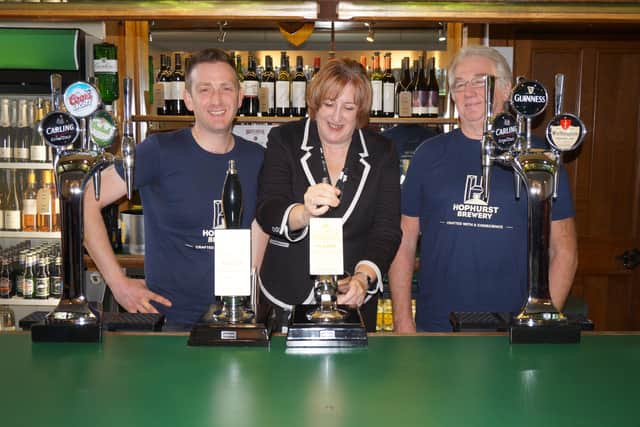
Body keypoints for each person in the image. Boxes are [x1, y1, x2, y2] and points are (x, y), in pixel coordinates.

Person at [388, 45, 578, 332]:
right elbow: (404, 242)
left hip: (512, 329)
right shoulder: (429, 154)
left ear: (506, 90)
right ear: (451, 95)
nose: (469, 92)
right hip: (437, 328)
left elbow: (564, 252)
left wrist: (540, 322)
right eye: (460, 84)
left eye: (480, 81)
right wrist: (403, 321)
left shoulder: (540, 157)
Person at [83, 48, 266, 328]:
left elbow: (264, 228)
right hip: (169, 324)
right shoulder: (158, 151)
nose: (216, 99)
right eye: (205, 89)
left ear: (241, 98)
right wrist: (118, 283)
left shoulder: (259, 158)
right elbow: (84, 203)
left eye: (226, 88)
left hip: (237, 319)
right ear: (188, 99)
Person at [256, 58, 402, 332]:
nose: (337, 117)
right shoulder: (284, 140)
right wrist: (304, 213)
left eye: (348, 107)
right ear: (315, 103)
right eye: (329, 104)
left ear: (360, 111)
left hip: (351, 300)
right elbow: (267, 210)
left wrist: (363, 278)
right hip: (286, 297)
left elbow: (387, 230)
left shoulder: (383, 152)